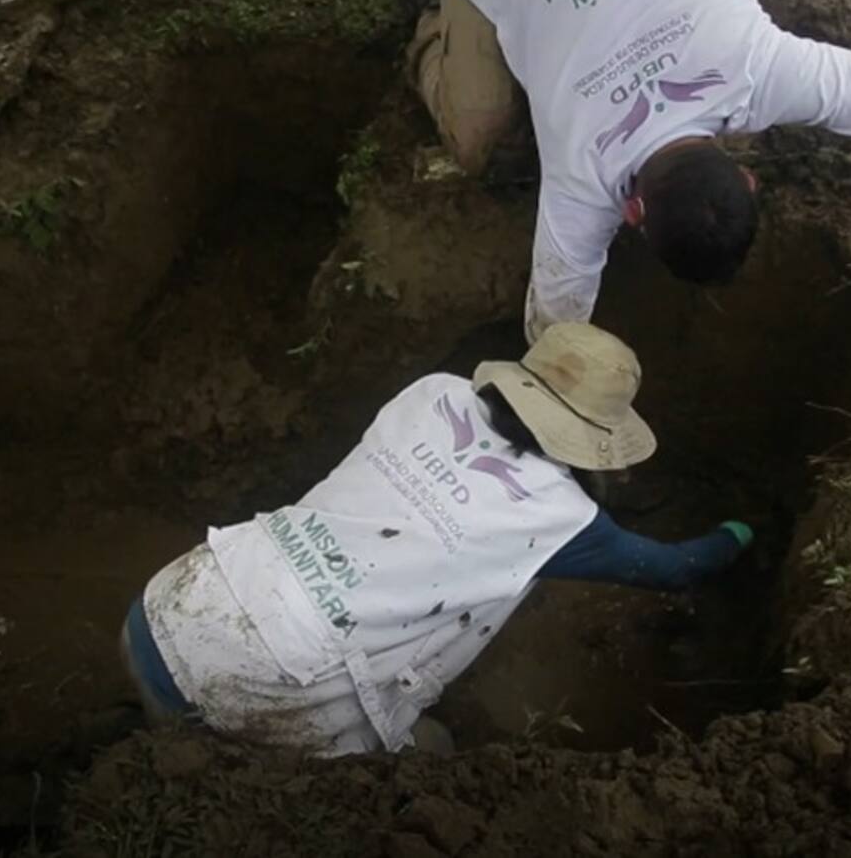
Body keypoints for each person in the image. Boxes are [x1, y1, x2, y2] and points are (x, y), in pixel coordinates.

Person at [119, 322, 756, 756]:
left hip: (171, 602)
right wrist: (740, 531)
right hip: (257, 684)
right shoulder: (559, 516)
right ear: (595, 438)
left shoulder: (434, 392)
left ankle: (134, 740)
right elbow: (675, 568)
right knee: (433, 753)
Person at [405, 0, 851, 346]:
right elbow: (551, 322)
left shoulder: (761, 65)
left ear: (747, 176)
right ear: (632, 214)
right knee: (484, 139)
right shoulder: (578, 170)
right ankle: (436, 14)